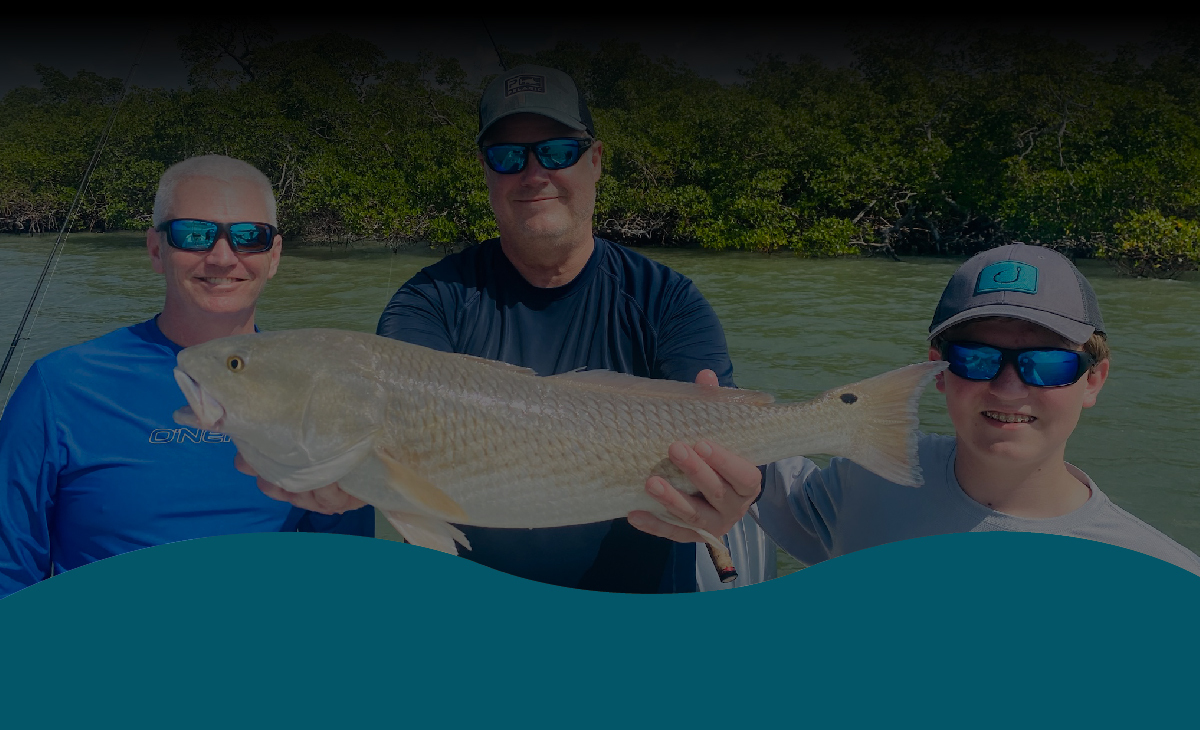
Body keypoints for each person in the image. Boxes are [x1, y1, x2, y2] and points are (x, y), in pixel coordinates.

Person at [257, 64, 772, 592]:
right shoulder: (429, 301)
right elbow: (396, 417)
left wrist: (728, 495)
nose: (534, 173)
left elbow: (727, 449)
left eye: (558, 152)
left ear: (595, 161)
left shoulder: (668, 301)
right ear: (485, 169)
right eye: (508, 156)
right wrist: (353, 473)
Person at [638, 244, 1200, 576]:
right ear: (938, 370)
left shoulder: (1160, 577)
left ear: (1093, 379)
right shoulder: (862, 482)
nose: (1008, 388)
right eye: (976, 359)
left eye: (1047, 365)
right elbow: (755, 474)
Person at [0, 155, 374, 600]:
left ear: (273, 256)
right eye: (194, 235)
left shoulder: (320, 390)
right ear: (156, 249)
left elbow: (349, 572)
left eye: (249, 237)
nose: (222, 257)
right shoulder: (59, 386)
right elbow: (8, 573)